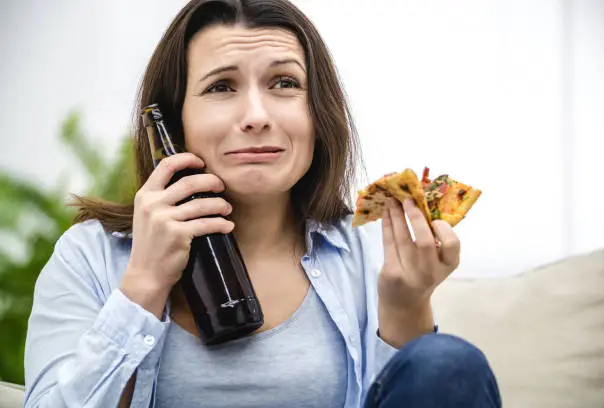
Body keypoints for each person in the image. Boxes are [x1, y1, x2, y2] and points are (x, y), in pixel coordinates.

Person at [23, 0, 502, 407]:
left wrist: (406, 306)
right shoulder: (88, 258)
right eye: (221, 87)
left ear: (318, 114)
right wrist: (144, 285)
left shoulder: (368, 254)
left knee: (449, 363)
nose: (256, 115)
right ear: (173, 122)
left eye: (284, 84)